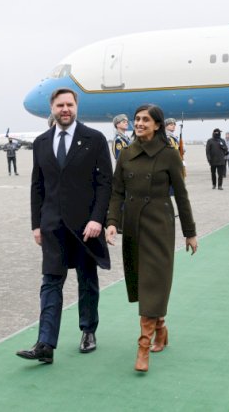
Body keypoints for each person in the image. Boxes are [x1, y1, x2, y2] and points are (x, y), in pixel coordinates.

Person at [17, 87, 112, 364]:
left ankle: (88, 330)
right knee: (50, 282)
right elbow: (37, 186)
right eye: (60, 105)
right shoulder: (41, 142)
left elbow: (105, 183)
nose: (65, 109)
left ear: (76, 107)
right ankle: (45, 343)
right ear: (52, 108)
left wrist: (97, 219)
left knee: (87, 279)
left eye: (69, 104)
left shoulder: (94, 139)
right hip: (52, 225)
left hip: (86, 226)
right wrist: (36, 224)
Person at [105, 104, 197, 372]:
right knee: (141, 279)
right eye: (137, 119)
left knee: (154, 281)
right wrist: (112, 223)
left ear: (157, 125)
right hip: (133, 224)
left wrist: (189, 232)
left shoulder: (169, 154)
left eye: (145, 119)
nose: (139, 123)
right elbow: (116, 192)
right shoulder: (126, 153)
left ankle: (143, 346)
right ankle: (161, 327)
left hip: (159, 224)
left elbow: (182, 196)